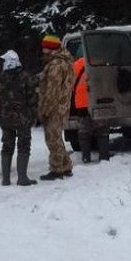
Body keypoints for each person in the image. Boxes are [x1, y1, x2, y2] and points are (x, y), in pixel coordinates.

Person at [0, 50, 38, 186]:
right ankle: (22, 177)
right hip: (23, 118)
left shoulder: (0, 78)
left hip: (5, 118)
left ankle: (6, 179)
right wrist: (33, 114)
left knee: (7, 146)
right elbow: (32, 98)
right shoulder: (25, 77)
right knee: (24, 145)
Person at [37, 34, 75, 181]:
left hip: (54, 107)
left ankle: (57, 169)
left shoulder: (56, 65)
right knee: (57, 137)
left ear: (50, 48)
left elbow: (51, 91)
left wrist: (44, 109)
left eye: (44, 47)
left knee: (52, 139)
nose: (42, 50)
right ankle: (65, 166)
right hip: (61, 106)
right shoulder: (63, 62)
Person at [71, 49, 112, 163]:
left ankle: (85, 157)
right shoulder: (100, 62)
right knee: (101, 127)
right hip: (96, 99)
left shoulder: (76, 64)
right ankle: (104, 156)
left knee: (84, 128)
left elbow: (70, 83)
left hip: (80, 101)